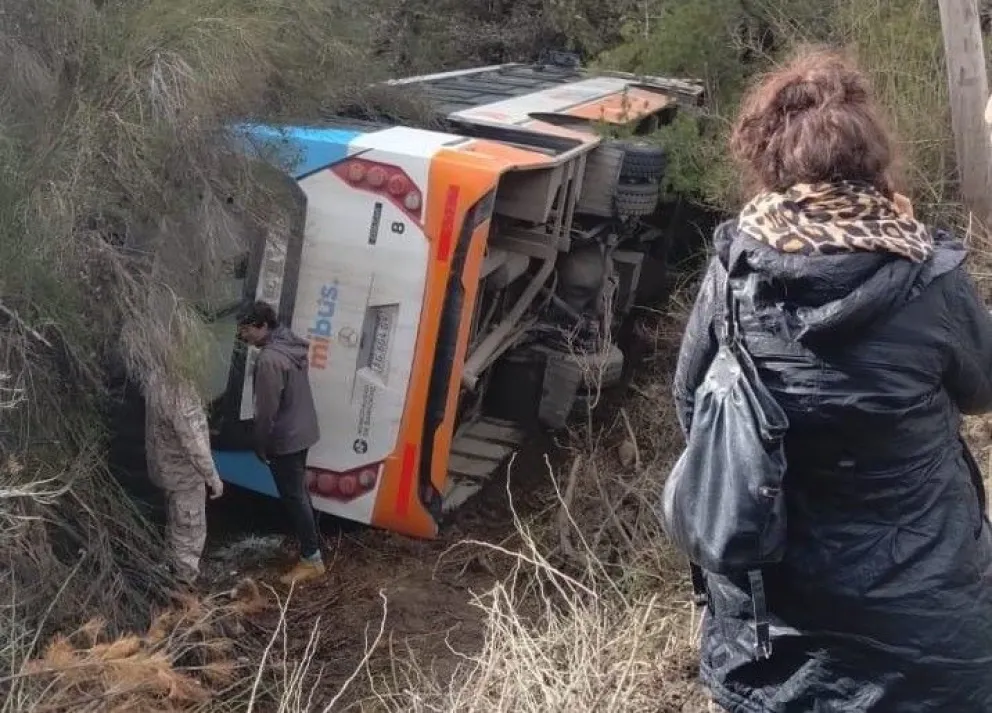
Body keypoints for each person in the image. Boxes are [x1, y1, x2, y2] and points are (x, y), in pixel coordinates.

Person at [674, 49, 992, 712]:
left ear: (767, 161)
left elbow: (693, 407)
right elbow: (983, 388)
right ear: (872, 162)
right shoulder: (929, 275)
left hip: (773, 634)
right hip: (926, 624)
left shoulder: (734, 276)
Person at [237, 301, 325, 585]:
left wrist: (260, 445)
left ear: (262, 326)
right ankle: (313, 544)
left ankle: (312, 559)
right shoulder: (290, 343)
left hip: (286, 439)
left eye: (246, 329)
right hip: (304, 431)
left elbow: (265, 412)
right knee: (300, 492)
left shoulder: (269, 360)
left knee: (294, 496)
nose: (243, 335)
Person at [145, 368, 224, 586]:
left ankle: (171, 574)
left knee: (175, 527)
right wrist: (212, 476)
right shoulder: (180, 389)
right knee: (189, 533)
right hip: (184, 476)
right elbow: (193, 439)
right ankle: (183, 588)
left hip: (165, 471)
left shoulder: (156, 376)